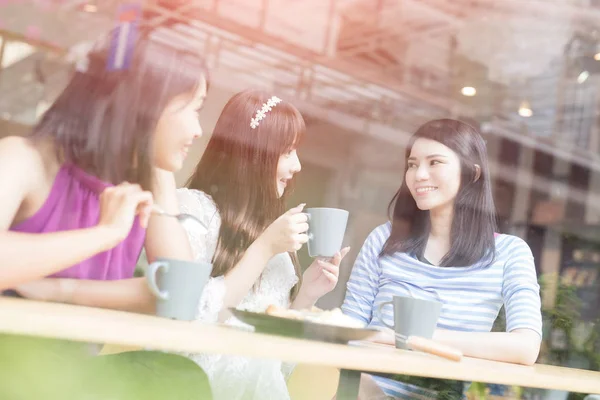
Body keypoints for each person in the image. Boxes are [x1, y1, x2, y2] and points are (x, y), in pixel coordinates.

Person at [0, 34, 212, 399]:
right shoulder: (24, 159)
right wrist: (103, 234)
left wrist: (59, 289)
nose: (198, 130)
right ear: (147, 107)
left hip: (68, 377)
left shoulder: (137, 188)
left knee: (179, 377)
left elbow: (178, 295)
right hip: (11, 368)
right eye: (193, 108)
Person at [341, 119, 542, 399]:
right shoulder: (383, 238)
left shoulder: (509, 253)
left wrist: (407, 338)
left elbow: (525, 347)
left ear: (472, 174)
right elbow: (349, 328)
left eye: (434, 162)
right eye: (412, 164)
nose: (419, 174)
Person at [176, 89, 350, 400]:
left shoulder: (272, 235)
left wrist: (306, 295)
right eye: (287, 152)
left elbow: (276, 362)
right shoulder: (193, 209)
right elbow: (190, 318)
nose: (297, 166)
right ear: (251, 154)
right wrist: (265, 248)